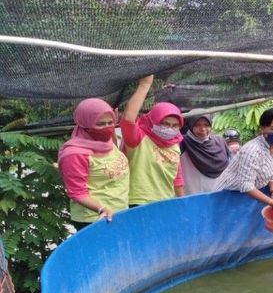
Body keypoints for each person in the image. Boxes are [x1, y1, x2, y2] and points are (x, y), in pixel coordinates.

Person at [58, 98, 129, 230]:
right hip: (95, 218)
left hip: (118, 212)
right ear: (85, 124)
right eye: (101, 124)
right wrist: (101, 209)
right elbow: (77, 192)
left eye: (111, 122)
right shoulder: (75, 154)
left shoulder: (106, 143)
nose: (107, 128)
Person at [215, 108, 273, 213]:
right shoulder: (252, 150)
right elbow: (246, 185)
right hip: (227, 194)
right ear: (262, 128)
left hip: (252, 194)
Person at [121, 75, 185, 206]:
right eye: (165, 124)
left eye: (174, 126)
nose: (169, 129)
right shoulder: (139, 138)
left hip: (165, 202)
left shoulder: (174, 144)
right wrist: (144, 85)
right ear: (153, 120)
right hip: (138, 202)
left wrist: (184, 204)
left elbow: (177, 179)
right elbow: (128, 119)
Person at [180, 115, 230, 194]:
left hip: (219, 193)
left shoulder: (219, 141)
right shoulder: (183, 142)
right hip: (194, 195)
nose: (203, 129)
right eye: (197, 125)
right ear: (190, 125)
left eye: (206, 125)